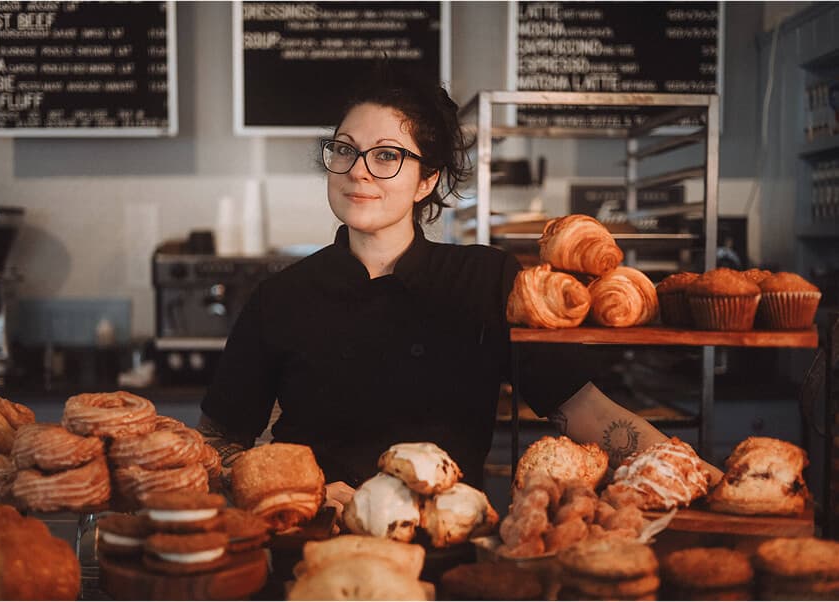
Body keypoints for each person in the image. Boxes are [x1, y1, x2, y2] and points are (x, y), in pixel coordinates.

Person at [198, 64, 722, 510]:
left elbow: (584, 410)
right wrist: (303, 491)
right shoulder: (281, 297)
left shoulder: (485, 280)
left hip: (447, 548)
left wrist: (698, 474)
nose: (359, 172)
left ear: (426, 181)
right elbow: (217, 443)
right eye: (345, 150)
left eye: (386, 155)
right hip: (312, 546)